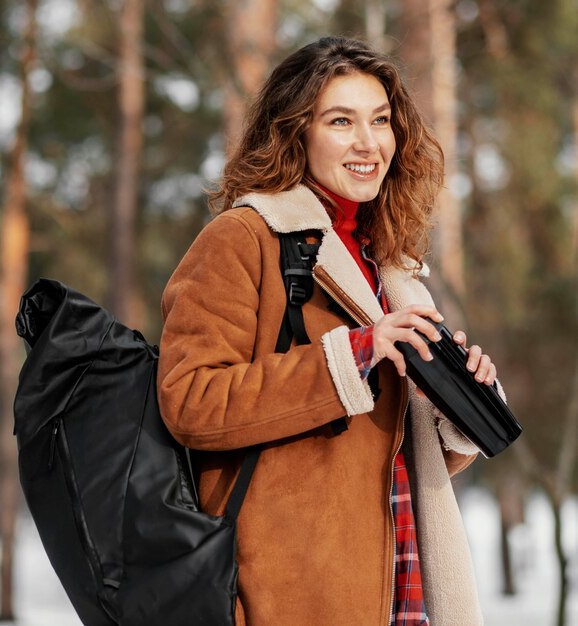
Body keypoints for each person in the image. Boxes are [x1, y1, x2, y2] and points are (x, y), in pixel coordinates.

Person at [157, 36, 499, 626]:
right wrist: (353, 356)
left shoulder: (392, 265)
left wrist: (452, 407)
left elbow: (387, 454)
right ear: (296, 131)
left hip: (401, 585)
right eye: (341, 120)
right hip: (290, 592)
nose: (369, 143)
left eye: (381, 120)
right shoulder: (243, 239)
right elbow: (190, 400)